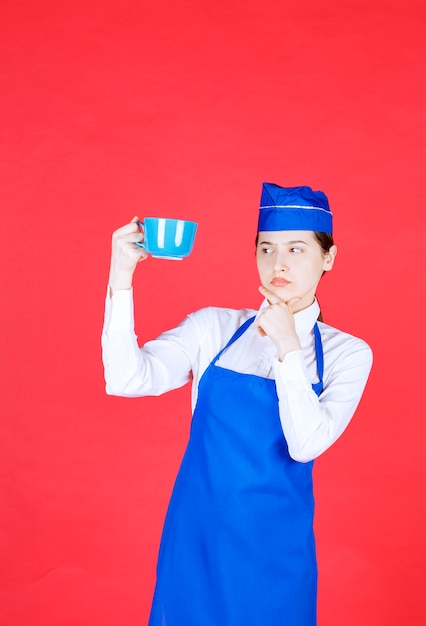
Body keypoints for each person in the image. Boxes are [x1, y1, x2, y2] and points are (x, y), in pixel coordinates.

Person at [102, 183, 373, 626]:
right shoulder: (213, 328)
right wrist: (121, 274)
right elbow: (127, 379)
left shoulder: (349, 353)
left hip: (277, 551)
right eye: (266, 249)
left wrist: (288, 347)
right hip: (197, 542)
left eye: (297, 249)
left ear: (329, 258)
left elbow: (306, 443)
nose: (278, 263)